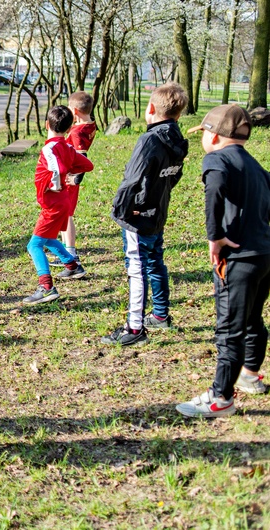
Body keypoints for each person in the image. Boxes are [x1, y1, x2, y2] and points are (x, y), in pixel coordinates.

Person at [176, 105, 270, 418]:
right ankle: (250, 375)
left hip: (238, 259)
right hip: (264, 255)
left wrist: (214, 235)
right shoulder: (256, 167)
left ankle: (221, 398)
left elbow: (214, 187)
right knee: (253, 318)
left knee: (229, 329)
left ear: (214, 136)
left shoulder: (216, 158)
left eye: (203, 133)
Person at [103, 82, 188, 346]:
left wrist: (121, 211)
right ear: (179, 114)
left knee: (137, 267)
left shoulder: (150, 139)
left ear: (151, 108)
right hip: (157, 211)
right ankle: (160, 314)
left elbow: (132, 178)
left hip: (138, 217)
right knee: (155, 261)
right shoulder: (177, 138)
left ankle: (135, 328)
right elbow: (174, 175)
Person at [23, 106, 94, 305]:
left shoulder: (49, 148)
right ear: (70, 127)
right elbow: (88, 165)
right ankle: (72, 266)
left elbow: (58, 168)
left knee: (34, 245)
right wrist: (71, 174)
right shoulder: (68, 147)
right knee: (47, 238)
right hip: (61, 201)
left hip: (54, 204)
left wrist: (57, 181)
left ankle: (46, 287)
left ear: (47, 124)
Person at [60, 91, 97, 262]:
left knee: (66, 215)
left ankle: (70, 252)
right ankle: (64, 251)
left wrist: (76, 178)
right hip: (67, 175)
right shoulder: (90, 125)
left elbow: (82, 156)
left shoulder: (77, 132)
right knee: (63, 214)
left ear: (74, 112)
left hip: (69, 178)